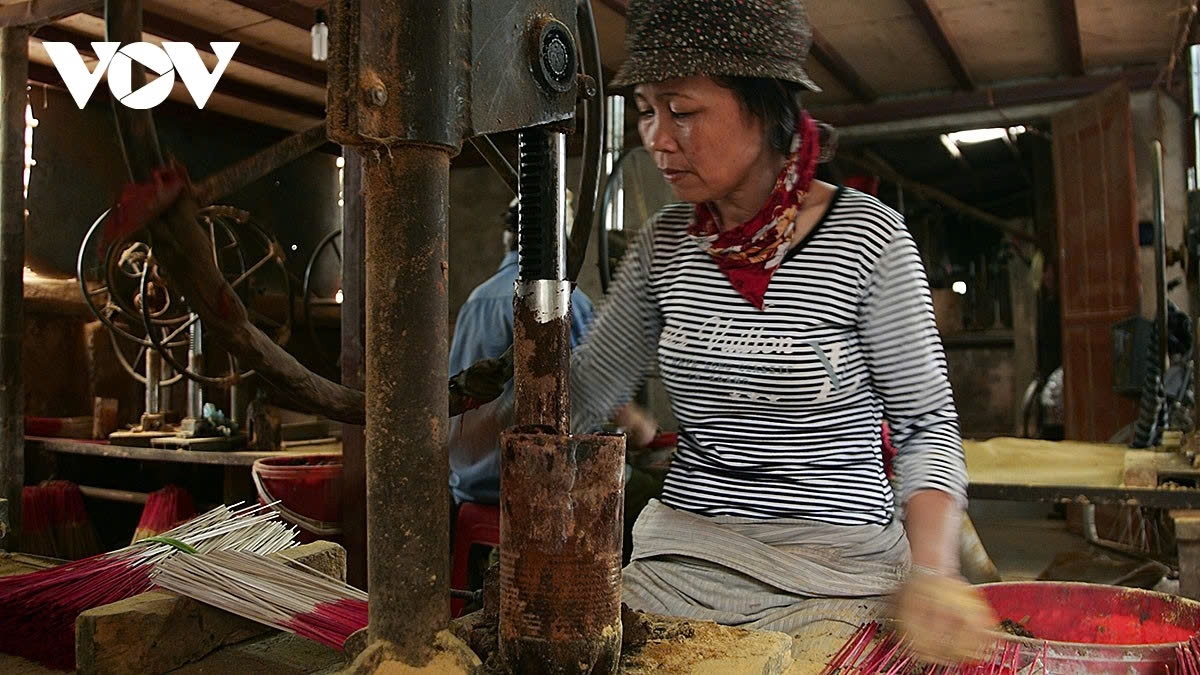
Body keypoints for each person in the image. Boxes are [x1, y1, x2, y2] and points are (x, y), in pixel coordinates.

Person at [566, 0, 996, 666]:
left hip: (839, 570)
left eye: (682, 110)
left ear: (766, 111)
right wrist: (490, 413)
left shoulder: (866, 239)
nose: (656, 136)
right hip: (682, 563)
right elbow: (589, 392)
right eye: (645, 110)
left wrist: (935, 569)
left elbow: (925, 423)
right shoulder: (664, 248)